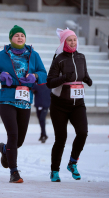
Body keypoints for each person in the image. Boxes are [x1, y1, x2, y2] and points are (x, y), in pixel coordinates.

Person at [0, 25, 47, 183]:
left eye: (22, 35)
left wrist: (35, 76)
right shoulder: (2, 55)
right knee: (13, 134)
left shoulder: (33, 55)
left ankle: (4, 150)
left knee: (19, 140)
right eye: (16, 35)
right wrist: (1, 76)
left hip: (25, 100)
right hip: (7, 98)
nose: (20, 37)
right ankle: (14, 172)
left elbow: (44, 74)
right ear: (11, 38)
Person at [47, 28, 92, 182]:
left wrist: (87, 79)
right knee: (61, 138)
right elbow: (49, 82)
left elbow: (83, 73)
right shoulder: (59, 59)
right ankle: (54, 171)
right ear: (64, 42)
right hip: (59, 104)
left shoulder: (81, 57)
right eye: (69, 40)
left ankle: (72, 162)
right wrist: (64, 78)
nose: (72, 42)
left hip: (78, 104)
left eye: (74, 39)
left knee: (83, 132)